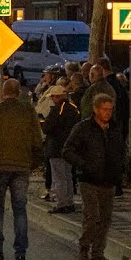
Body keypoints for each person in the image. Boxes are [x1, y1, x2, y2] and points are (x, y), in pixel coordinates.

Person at [0, 78, 43, 260]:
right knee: (20, 209)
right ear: (19, 93)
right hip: (21, 167)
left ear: (3, 92)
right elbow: (37, 141)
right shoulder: (28, 112)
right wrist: (31, 163)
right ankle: (21, 253)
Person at [64, 92, 125, 260]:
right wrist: (84, 165)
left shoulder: (114, 128)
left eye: (110, 109)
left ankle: (98, 253)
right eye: (104, 109)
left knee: (105, 219)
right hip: (89, 179)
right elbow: (67, 150)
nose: (108, 113)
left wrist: (119, 169)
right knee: (92, 216)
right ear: (96, 109)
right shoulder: (84, 128)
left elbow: (120, 149)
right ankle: (84, 247)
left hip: (109, 179)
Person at [43, 84, 80, 214]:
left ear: (57, 97)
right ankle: (69, 202)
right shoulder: (74, 108)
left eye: (53, 97)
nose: (52, 99)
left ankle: (62, 203)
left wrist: (42, 122)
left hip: (56, 147)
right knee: (68, 176)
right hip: (70, 148)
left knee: (59, 177)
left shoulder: (57, 109)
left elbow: (48, 128)